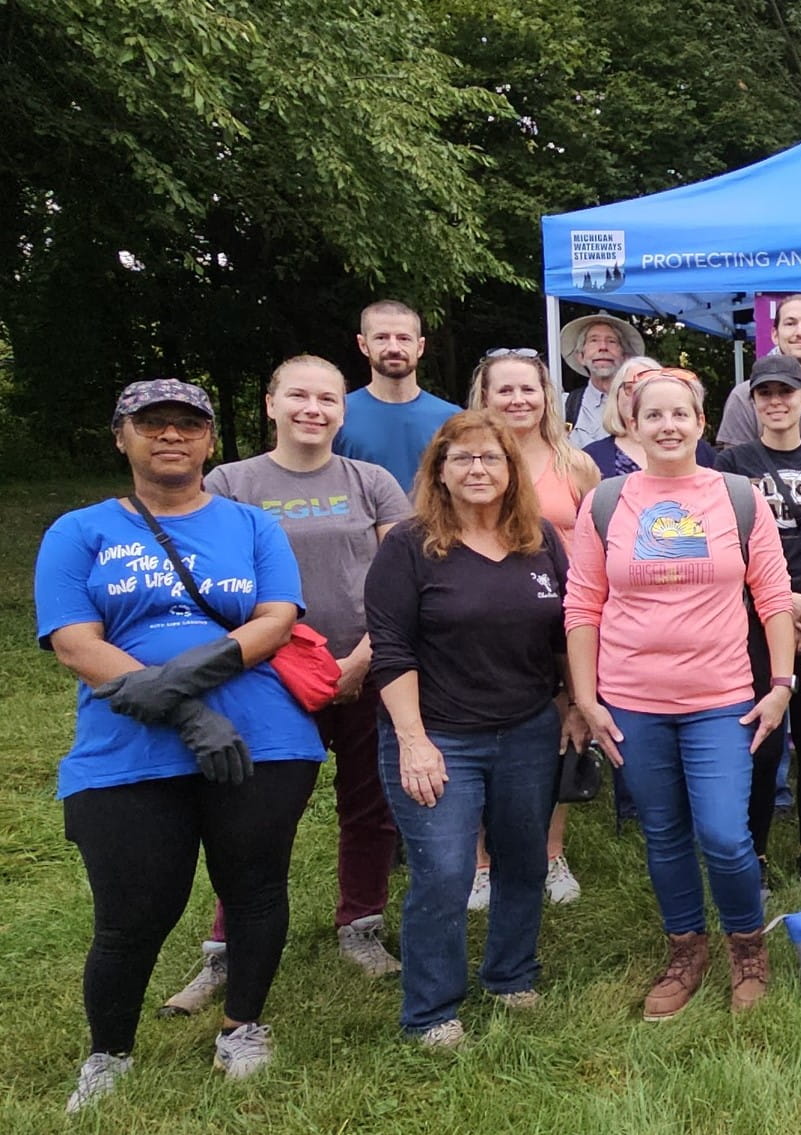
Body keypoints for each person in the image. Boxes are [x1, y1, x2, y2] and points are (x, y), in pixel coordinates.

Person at [36, 379, 327, 1109]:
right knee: (134, 910)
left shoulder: (253, 525)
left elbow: (276, 618)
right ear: (121, 436)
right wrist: (190, 714)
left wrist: (184, 679)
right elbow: (75, 643)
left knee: (256, 888)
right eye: (152, 423)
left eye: (187, 424)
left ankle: (243, 1025)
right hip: (125, 749)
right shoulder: (79, 531)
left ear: (207, 440)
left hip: (263, 739)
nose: (171, 436)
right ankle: (108, 1053)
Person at [158, 357, 411, 1022]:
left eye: (327, 397)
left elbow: (398, 583)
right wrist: (270, 657)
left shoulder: (373, 482)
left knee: (370, 805)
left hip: (364, 663)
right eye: (298, 394)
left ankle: (362, 925)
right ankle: (224, 948)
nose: (313, 408)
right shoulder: (230, 482)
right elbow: (209, 584)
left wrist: (360, 660)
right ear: (270, 403)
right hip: (264, 674)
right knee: (252, 814)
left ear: (342, 410)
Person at [567, 368, 794, 1020]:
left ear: (701, 424)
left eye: (680, 414)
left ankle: (747, 946)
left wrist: (780, 684)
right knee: (663, 833)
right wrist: (586, 697)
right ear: (631, 425)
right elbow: (582, 604)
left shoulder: (737, 495)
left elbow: (772, 596)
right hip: (632, 698)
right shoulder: (606, 503)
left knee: (725, 834)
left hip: (721, 695)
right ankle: (685, 948)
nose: (668, 425)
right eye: (653, 415)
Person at [364, 410, 587, 1047]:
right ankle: (432, 1010)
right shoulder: (409, 545)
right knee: (444, 871)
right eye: (462, 458)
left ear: (512, 470)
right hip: (438, 736)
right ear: (439, 471)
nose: (478, 469)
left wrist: (573, 702)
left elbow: (567, 629)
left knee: (523, 861)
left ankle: (511, 974)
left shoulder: (539, 538)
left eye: (491, 457)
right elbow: (391, 649)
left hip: (526, 729)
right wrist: (413, 740)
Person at [467, 350, 601, 907]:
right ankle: (480, 862)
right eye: (505, 390)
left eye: (530, 389)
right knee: (475, 735)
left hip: (562, 620)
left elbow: (599, 545)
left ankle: (550, 854)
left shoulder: (576, 464)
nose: (518, 400)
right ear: (484, 397)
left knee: (563, 729)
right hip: (482, 623)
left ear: (547, 396)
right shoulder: (466, 460)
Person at [714, 355, 801, 878]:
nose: (776, 402)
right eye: (765, 393)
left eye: (786, 392)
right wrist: (781, 599)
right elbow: (722, 541)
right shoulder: (732, 465)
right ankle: (757, 854)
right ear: (753, 401)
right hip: (754, 617)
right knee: (762, 742)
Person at [333, 299, 460, 491]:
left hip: (433, 522)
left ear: (420, 346)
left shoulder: (452, 418)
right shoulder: (337, 414)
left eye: (403, 338)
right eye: (381, 338)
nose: (393, 348)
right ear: (363, 344)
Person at [716, 294, 801, 453]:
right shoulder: (744, 396)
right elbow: (734, 469)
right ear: (775, 334)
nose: (800, 332)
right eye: (790, 323)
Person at [582, 356, 719, 478]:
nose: (638, 395)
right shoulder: (590, 458)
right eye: (631, 387)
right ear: (616, 395)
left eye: (648, 386)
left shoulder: (701, 452)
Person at [558, 312, 647, 447]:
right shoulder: (563, 406)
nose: (603, 347)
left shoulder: (642, 401)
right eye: (594, 340)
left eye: (611, 341)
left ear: (626, 356)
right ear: (581, 356)